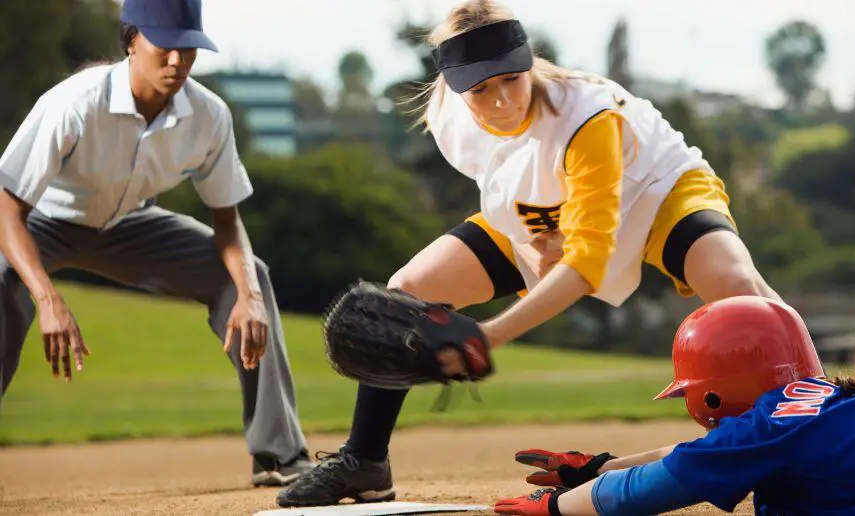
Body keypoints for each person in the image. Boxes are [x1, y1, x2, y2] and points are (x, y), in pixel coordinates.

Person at [276, 0, 780, 507]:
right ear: (452, 86)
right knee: (407, 294)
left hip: (655, 191)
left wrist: (487, 337)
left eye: (511, 79)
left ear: (528, 62)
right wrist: (548, 240)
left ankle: (820, 410)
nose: (499, 100)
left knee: (736, 285)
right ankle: (364, 462)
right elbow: (517, 187)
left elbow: (586, 265)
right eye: (479, 88)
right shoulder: (448, 116)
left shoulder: (587, 118)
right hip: (548, 211)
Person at [0, 0, 312, 487]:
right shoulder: (75, 102)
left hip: (130, 225)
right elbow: (8, 208)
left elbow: (227, 222)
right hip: (44, 222)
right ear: (132, 41)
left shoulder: (209, 115)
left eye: (189, 49)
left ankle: (280, 455)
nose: (177, 62)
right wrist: (48, 300)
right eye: (165, 47)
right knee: (2, 281)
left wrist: (248, 297)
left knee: (251, 277)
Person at [493, 295, 855, 515]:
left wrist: (554, 506)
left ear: (714, 390)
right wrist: (600, 468)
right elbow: (703, 453)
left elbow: (638, 493)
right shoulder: (827, 401)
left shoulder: (768, 428)